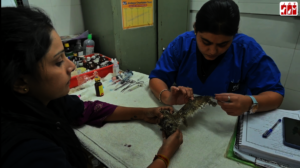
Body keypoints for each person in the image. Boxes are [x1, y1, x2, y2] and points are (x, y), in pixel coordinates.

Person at [1, 7, 182, 168]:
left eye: (65, 56)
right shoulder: (30, 153)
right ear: (20, 82)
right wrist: (163, 158)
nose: (71, 66)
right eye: (58, 62)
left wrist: (144, 112)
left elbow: (88, 110)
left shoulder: (45, 101)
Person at [149, 0, 284, 116]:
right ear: (195, 28)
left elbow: (275, 95)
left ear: (235, 34)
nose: (212, 51)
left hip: (228, 123)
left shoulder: (247, 49)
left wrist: (250, 103)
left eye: (223, 44)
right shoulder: (182, 44)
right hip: (188, 116)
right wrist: (168, 97)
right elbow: (157, 77)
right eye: (206, 42)